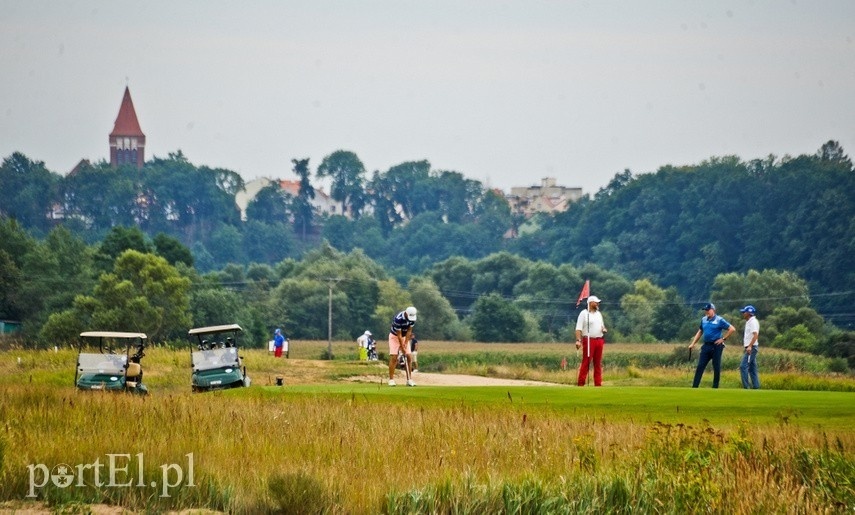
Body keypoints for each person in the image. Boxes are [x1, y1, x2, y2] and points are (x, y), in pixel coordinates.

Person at [688, 303, 735, 388]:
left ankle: (715, 387)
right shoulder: (704, 319)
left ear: (713, 310)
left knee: (716, 366)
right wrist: (693, 343)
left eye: (708, 310)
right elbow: (700, 331)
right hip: (706, 346)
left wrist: (723, 339)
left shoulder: (719, 320)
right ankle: (695, 386)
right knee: (700, 366)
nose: (706, 312)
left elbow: (732, 329)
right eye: (705, 310)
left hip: (716, 346)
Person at [575, 295, 607, 386]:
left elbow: (602, 326)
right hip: (589, 340)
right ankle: (581, 383)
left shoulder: (599, 314)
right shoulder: (584, 313)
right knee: (586, 362)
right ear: (590, 303)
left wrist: (603, 329)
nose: (597, 304)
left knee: (598, 363)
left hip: (599, 340)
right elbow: (578, 328)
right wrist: (578, 340)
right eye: (596, 302)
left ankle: (598, 383)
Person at [388, 306, 417, 386]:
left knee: (409, 356)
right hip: (394, 337)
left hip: (404, 337)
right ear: (406, 313)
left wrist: (406, 343)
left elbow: (409, 331)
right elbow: (399, 334)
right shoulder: (398, 319)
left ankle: (409, 380)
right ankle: (391, 380)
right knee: (394, 357)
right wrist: (402, 347)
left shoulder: (413, 319)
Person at [739, 305, 761, 389]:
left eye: (744, 312)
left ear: (748, 313)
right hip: (750, 347)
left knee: (743, 366)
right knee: (752, 368)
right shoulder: (749, 321)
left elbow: (755, 335)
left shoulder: (753, 322)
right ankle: (756, 387)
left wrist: (750, 346)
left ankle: (746, 387)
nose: (743, 313)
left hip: (751, 348)